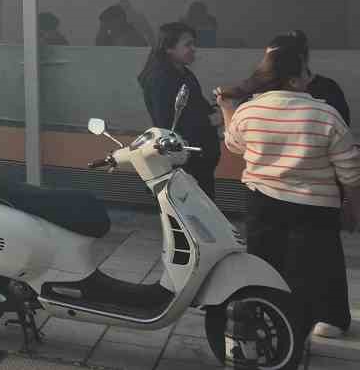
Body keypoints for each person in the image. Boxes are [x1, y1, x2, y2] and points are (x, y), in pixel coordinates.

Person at [220, 34, 360, 343]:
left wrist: (227, 108)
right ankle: (330, 320)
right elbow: (350, 168)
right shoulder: (325, 114)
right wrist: (351, 205)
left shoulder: (248, 111)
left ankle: (272, 314)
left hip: (261, 201)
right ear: (297, 80)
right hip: (315, 205)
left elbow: (234, 145)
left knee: (265, 261)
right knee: (321, 261)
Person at [284, 31, 354, 338]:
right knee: (289, 255)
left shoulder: (327, 91)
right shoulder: (271, 93)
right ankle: (296, 309)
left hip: (320, 188)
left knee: (323, 253)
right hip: (281, 189)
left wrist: (349, 198)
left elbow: (343, 143)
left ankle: (332, 314)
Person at [137, 22, 220, 201]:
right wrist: (209, 120)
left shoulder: (184, 73)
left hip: (198, 156)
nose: (193, 49)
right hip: (184, 158)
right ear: (168, 48)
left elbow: (197, 105)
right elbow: (166, 122)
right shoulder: (160, 78)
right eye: (187, 44)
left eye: (193, 44)